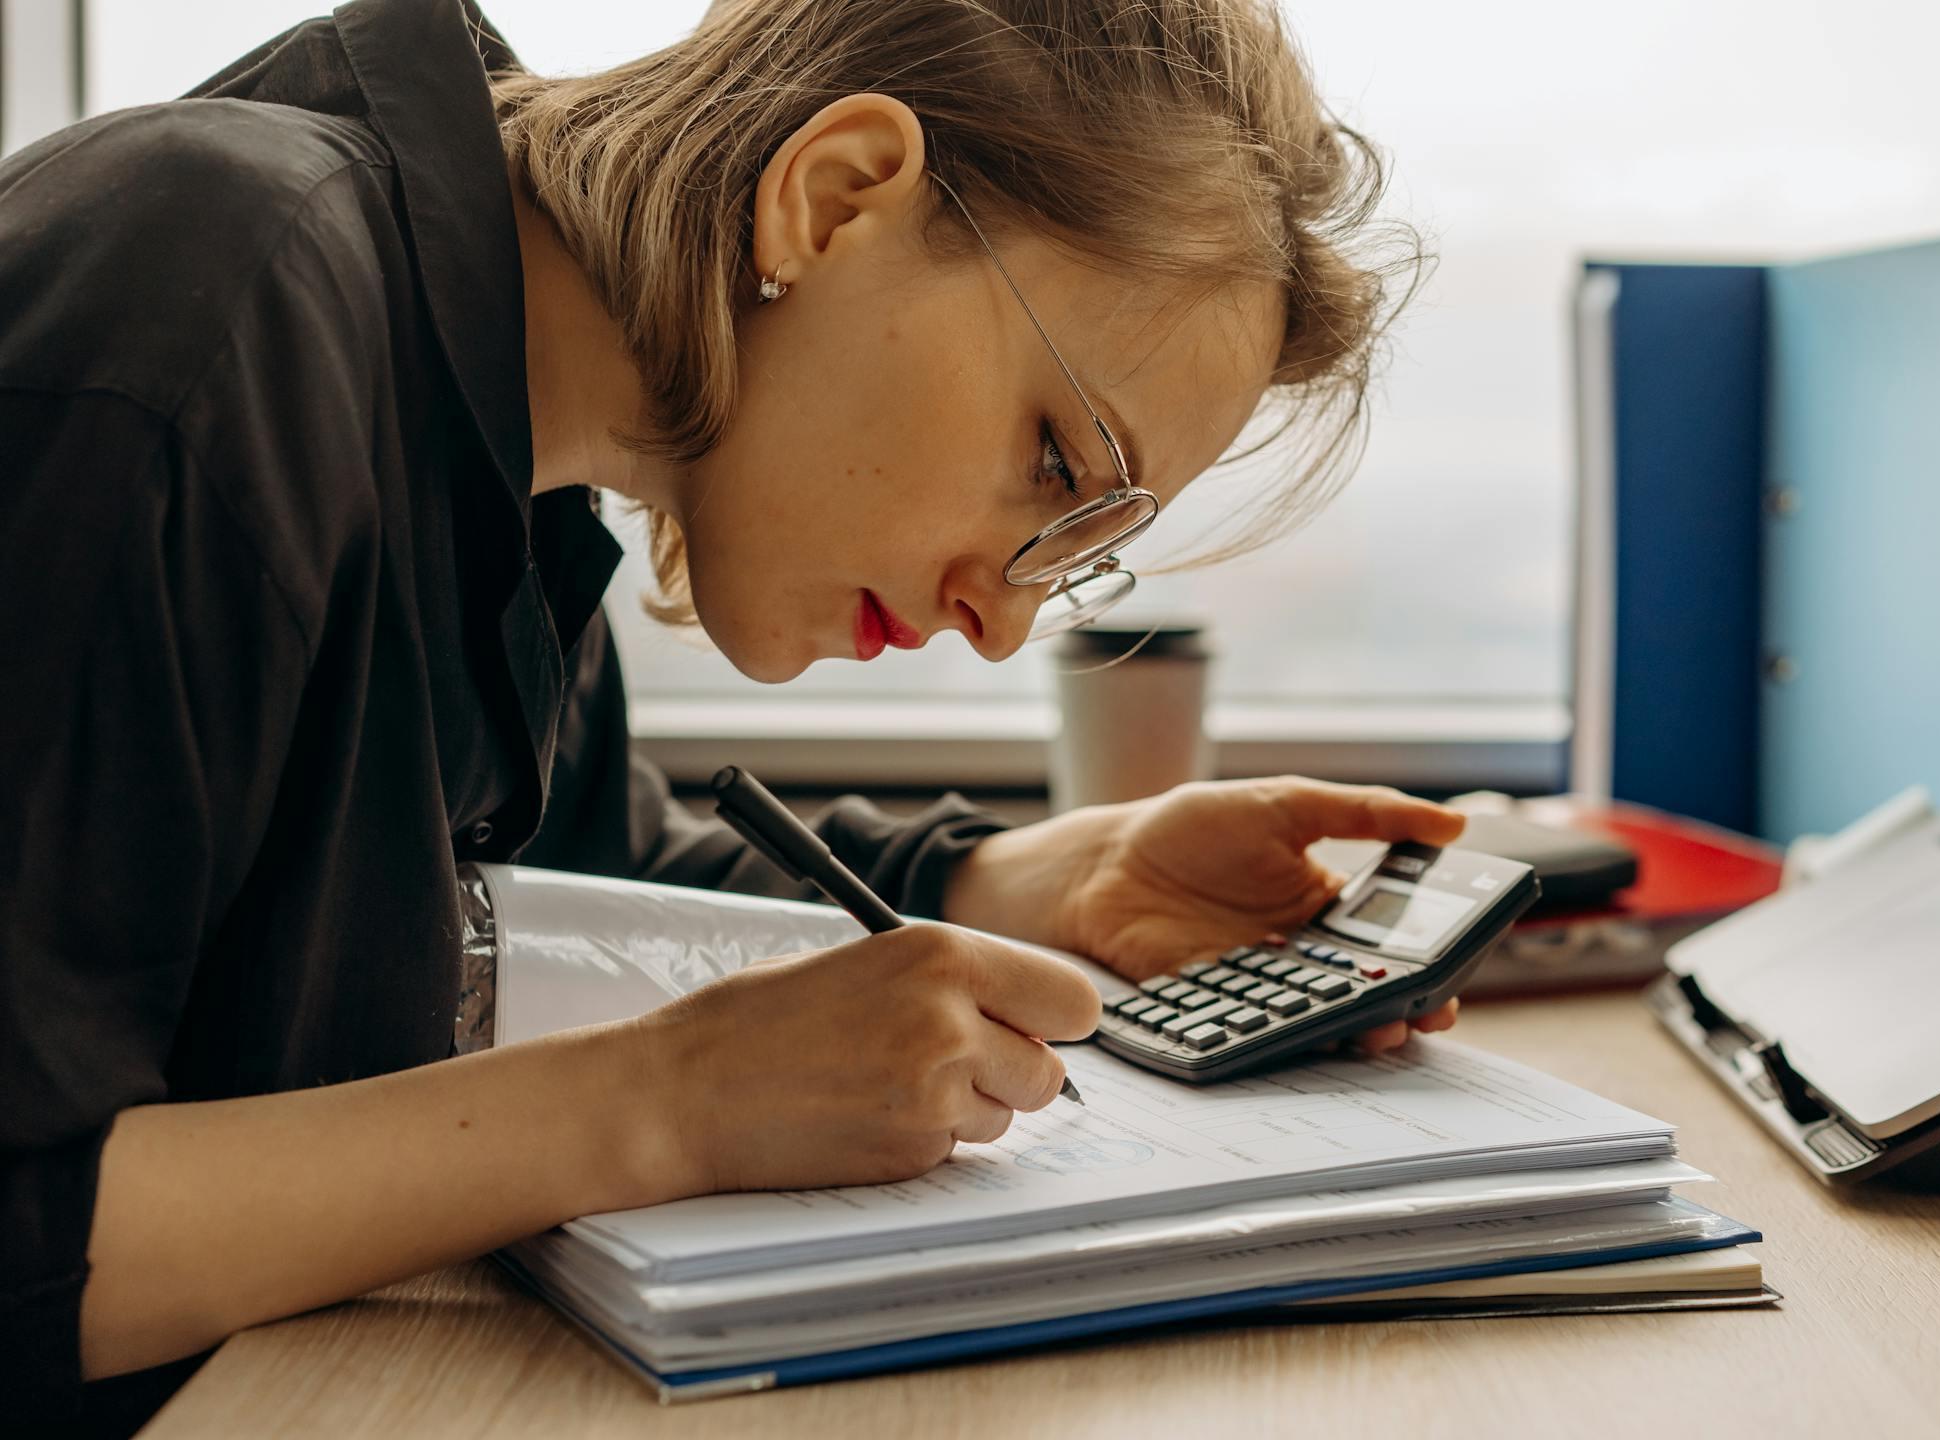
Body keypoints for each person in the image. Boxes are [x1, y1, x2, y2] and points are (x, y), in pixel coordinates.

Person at [0, 0, 1468, 1430]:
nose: (1006, 617)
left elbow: (563, 883)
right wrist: (661, 1106)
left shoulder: (508, 449)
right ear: (837, 201)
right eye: (1053, 460)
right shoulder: (206, 302)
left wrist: (1015, 885)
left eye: (1086, 548)